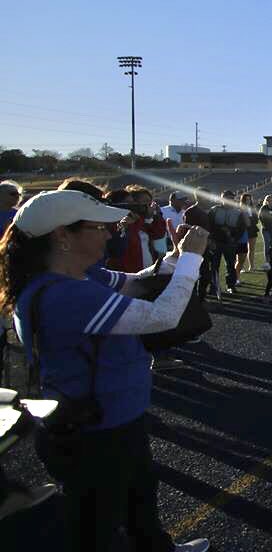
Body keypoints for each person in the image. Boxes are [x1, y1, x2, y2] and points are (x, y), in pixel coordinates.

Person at [0, 189, 210, 552]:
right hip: (98, 432)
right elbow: (162, 316)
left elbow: (138, 280)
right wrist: (192, 260)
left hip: (111, 420)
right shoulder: (65, 295)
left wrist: (176, 256)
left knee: (140, 498)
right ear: (63, 236)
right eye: (98, 227)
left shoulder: (76, 279)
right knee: (97, 529)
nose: (110, 234)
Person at [208, 190, 248, 296]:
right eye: (226, 198)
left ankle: (231, 286)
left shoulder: (238, 212)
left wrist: (234, 238)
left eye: (231, 198)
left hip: (230, 243)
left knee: (230, 266)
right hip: (216, 242)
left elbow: (241, 228)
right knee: (214, 266)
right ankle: (214, 286)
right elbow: (209, 225)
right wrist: (213, 236)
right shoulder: (214, 210)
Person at [237, 192, 258, 273]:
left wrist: (251, 220)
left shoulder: (253, 208)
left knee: (252, 249)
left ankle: (251, 266)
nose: (248, 201)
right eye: (246, 199)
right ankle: (241, 267)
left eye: (249, 199)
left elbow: (256, 219)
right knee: (241, 251)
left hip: (252, 229)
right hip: (243, 231)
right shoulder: (240, 208)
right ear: (243, 200)